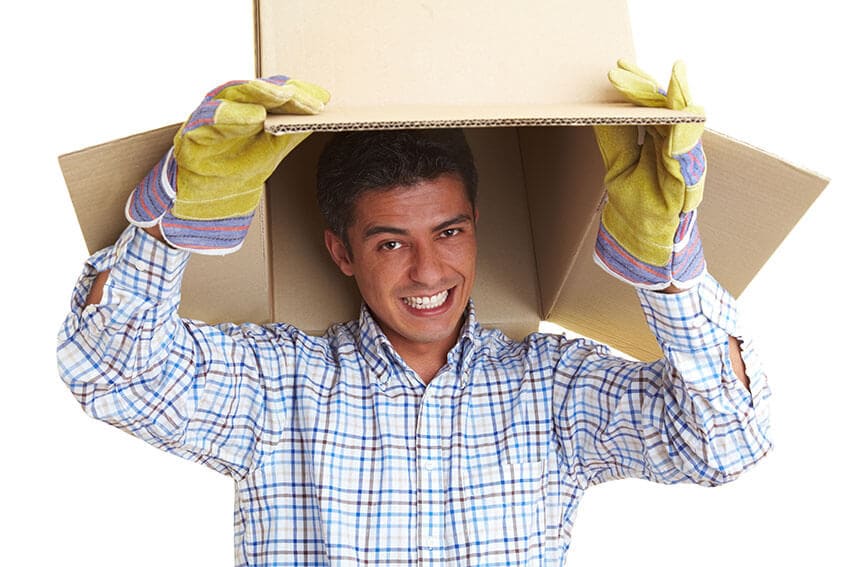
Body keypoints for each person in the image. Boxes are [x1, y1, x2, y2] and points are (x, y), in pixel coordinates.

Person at [57, 64, 771, 566]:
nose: (428, 272)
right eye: (391, 242)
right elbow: (112, 374)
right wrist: (175, 219)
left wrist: (670, 272)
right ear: (341, 251)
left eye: (449, 232)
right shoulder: (277, 386)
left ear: (476, 225)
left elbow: (725, 447)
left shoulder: (552, 386)